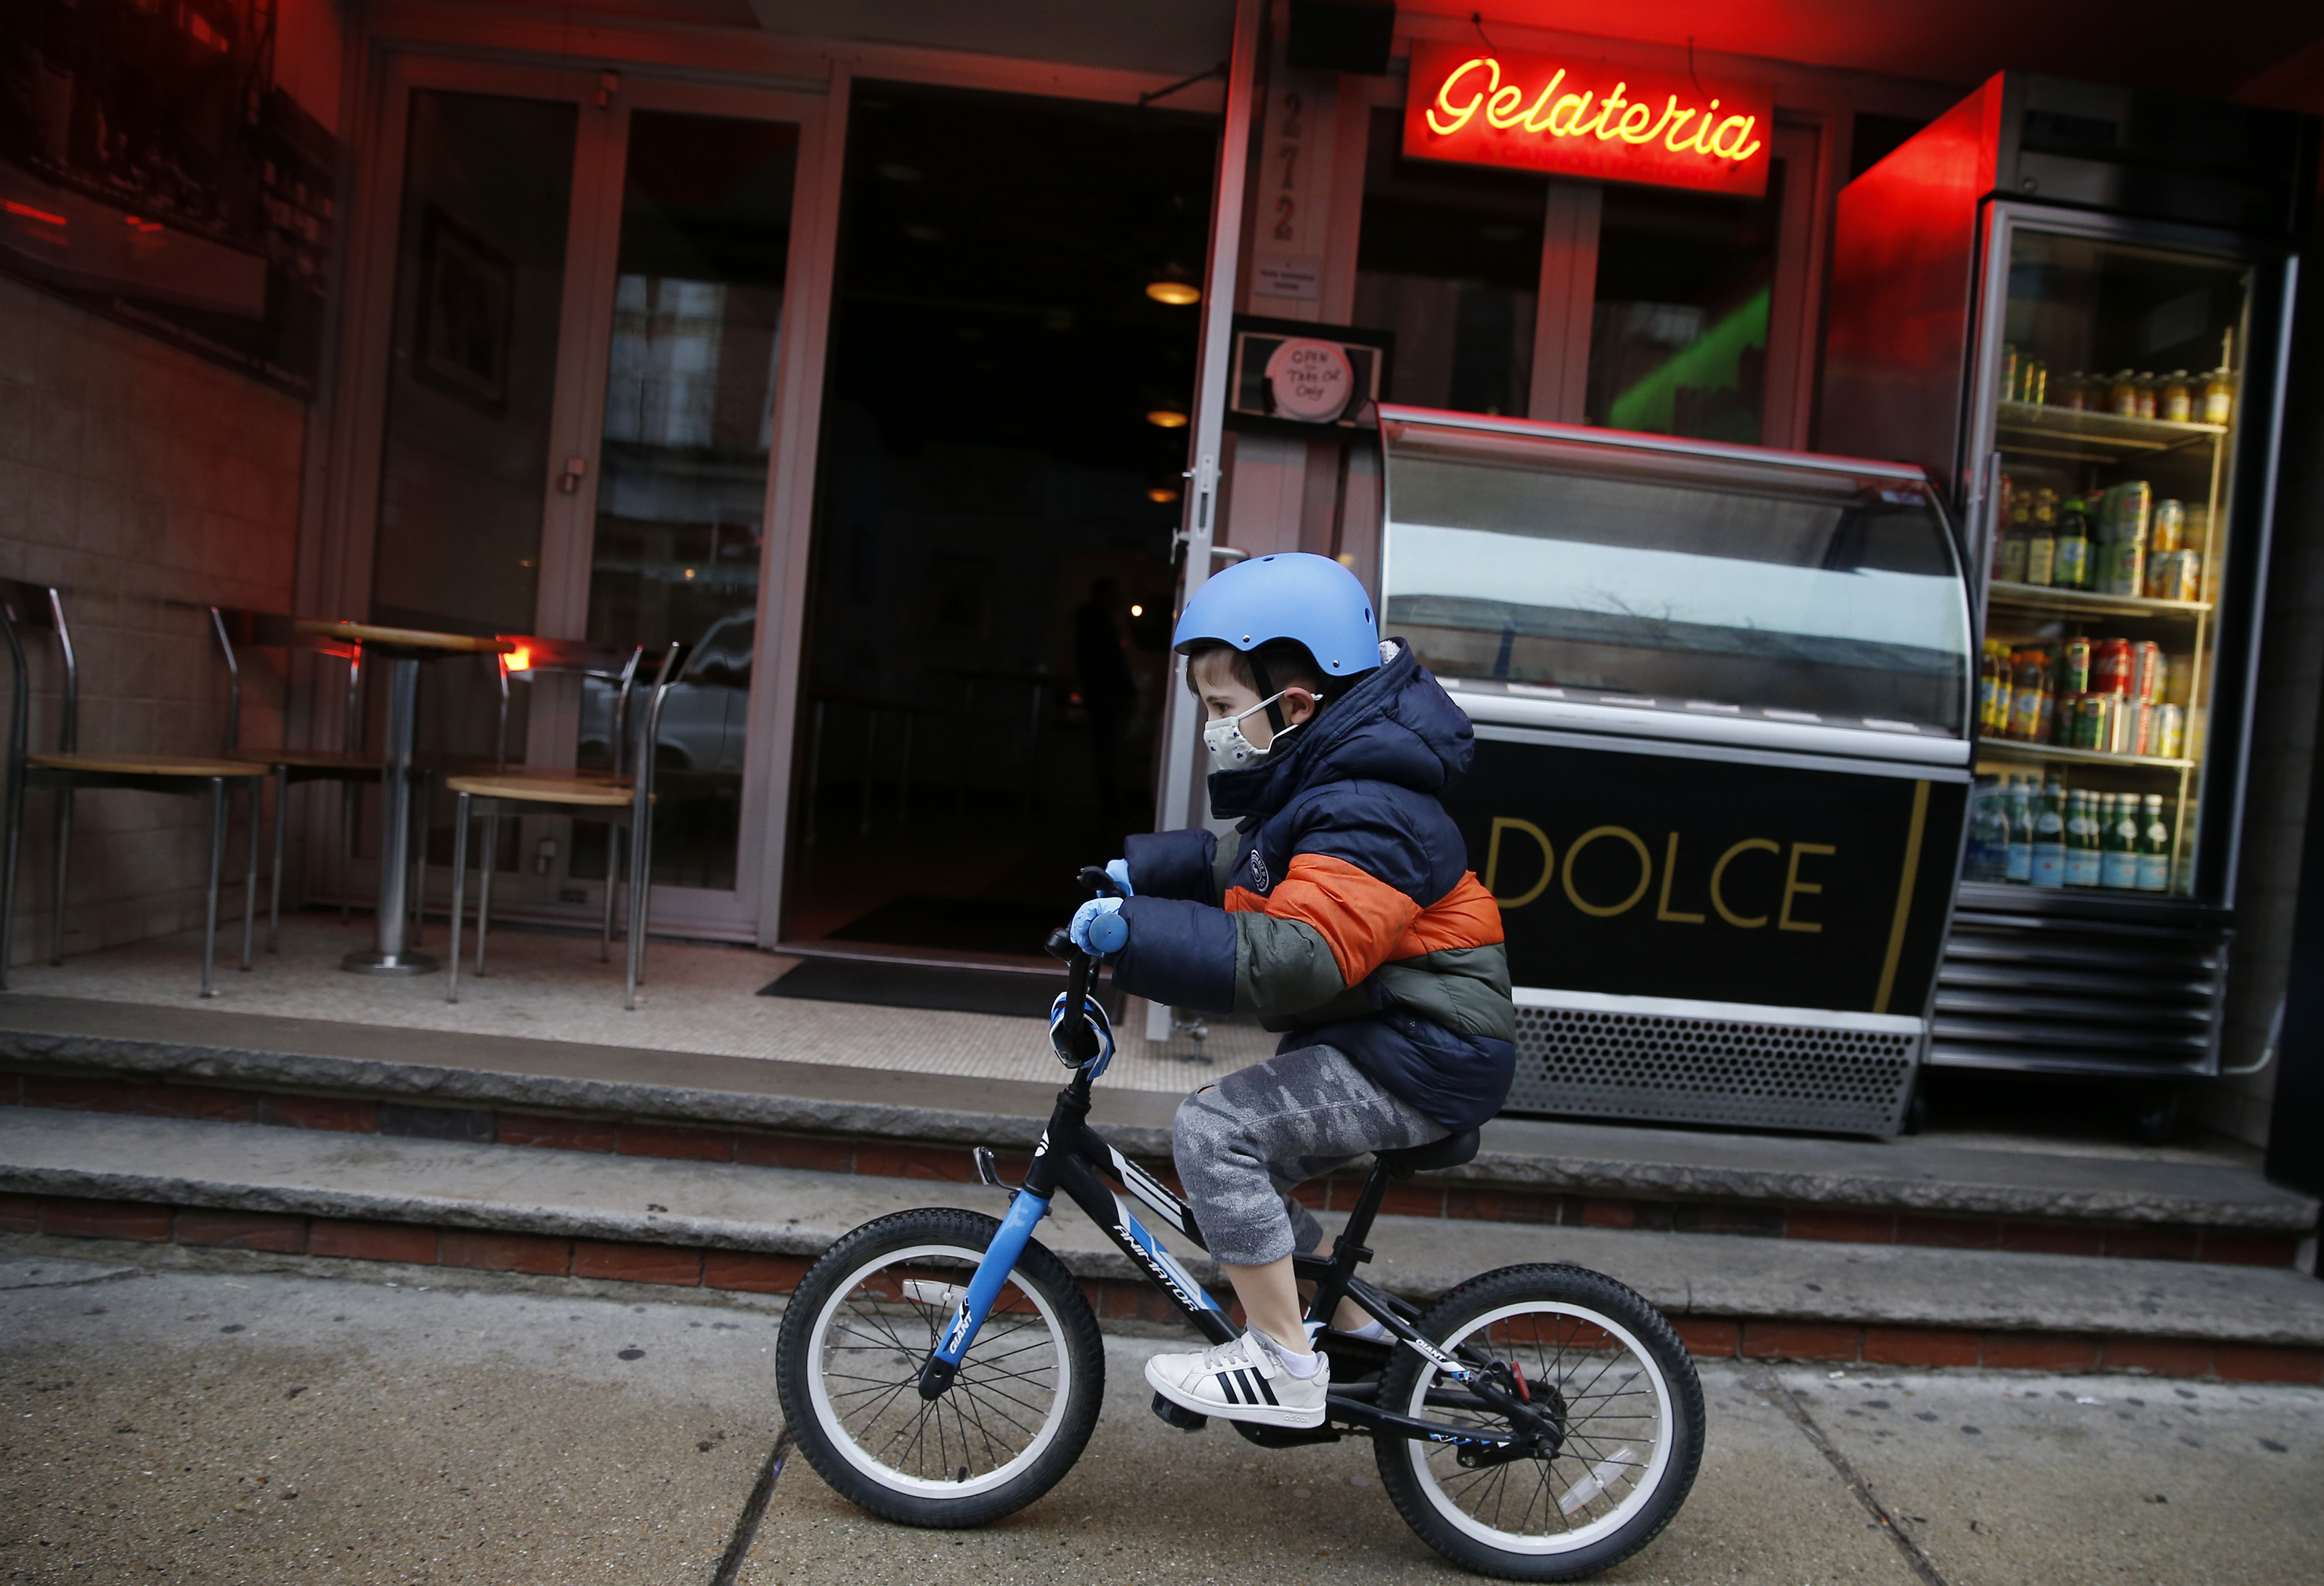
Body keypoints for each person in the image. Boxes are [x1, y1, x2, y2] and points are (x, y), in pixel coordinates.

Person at [1067, 553, 1516, 1429]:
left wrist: (1136, 935)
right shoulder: (1330, 782)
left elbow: (1301, 954)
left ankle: (1281, 1362)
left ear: (1297, 704)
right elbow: (1250, 862)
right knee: (1242, 1161)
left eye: (1223, 708)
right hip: (1393, 1037)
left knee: (1216, 1129)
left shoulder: (1372, 804)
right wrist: (1138, 873)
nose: (1211, 727)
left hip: (1424, 1052)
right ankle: (1342, 1330)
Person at [1072, 578, 1137, 815]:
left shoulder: (1096, 623)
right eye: (1115, 594)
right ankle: (1111, 808)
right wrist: (1126, 690)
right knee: (1109, 753)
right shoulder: (1098, 625)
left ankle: (1110, 806)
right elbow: (1110, 664)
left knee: (1108, 753)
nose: (1119, 600)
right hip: (1106, 696)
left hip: (1104, 695)